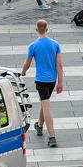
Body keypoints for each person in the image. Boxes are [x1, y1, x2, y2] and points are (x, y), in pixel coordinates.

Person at [21, 19, 64, 148]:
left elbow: (27, 63)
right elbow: (59, 65)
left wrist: (23, 72)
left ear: (36, 30)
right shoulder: (55, 44)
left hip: (41, 80)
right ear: (47, 29)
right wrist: (60, 83)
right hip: (52, 80)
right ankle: (39, 126)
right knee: (44, 102)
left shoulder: (33, 46)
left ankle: (52, 137)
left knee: (46, 105)